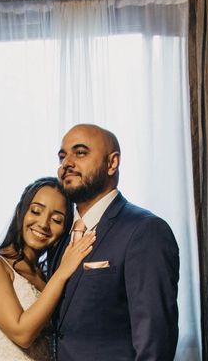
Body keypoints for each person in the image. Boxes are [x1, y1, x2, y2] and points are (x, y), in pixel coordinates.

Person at [51, 124, 180, 360]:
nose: (66, 163)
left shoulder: (145, 230)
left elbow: (155, 340)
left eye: (80, 153)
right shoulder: (58, 235)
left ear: (112, 163)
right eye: (62, 156)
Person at [0, 177, 96, 361]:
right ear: (21, 212)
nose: (43, 224)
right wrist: (62, 273)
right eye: (36, 211)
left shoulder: (45, 276)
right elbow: (22, 334)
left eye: (56, 219)